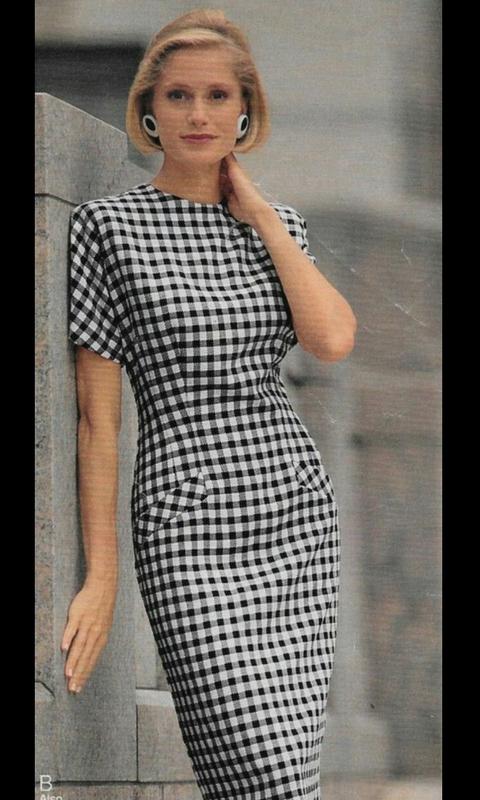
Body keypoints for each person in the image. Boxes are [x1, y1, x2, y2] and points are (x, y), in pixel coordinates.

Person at [63, 8, 357, 799]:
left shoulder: (277, 226)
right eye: (180, 95)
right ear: (149, 110)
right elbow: (97, 420)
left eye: (219, 96)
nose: (199, 114)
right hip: (186, 521)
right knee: (257, 763)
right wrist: (102, 574)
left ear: (245, 111)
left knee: (287, 772)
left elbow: (332, 339)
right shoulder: (107, 228)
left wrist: (258, 215)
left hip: (291, 513)